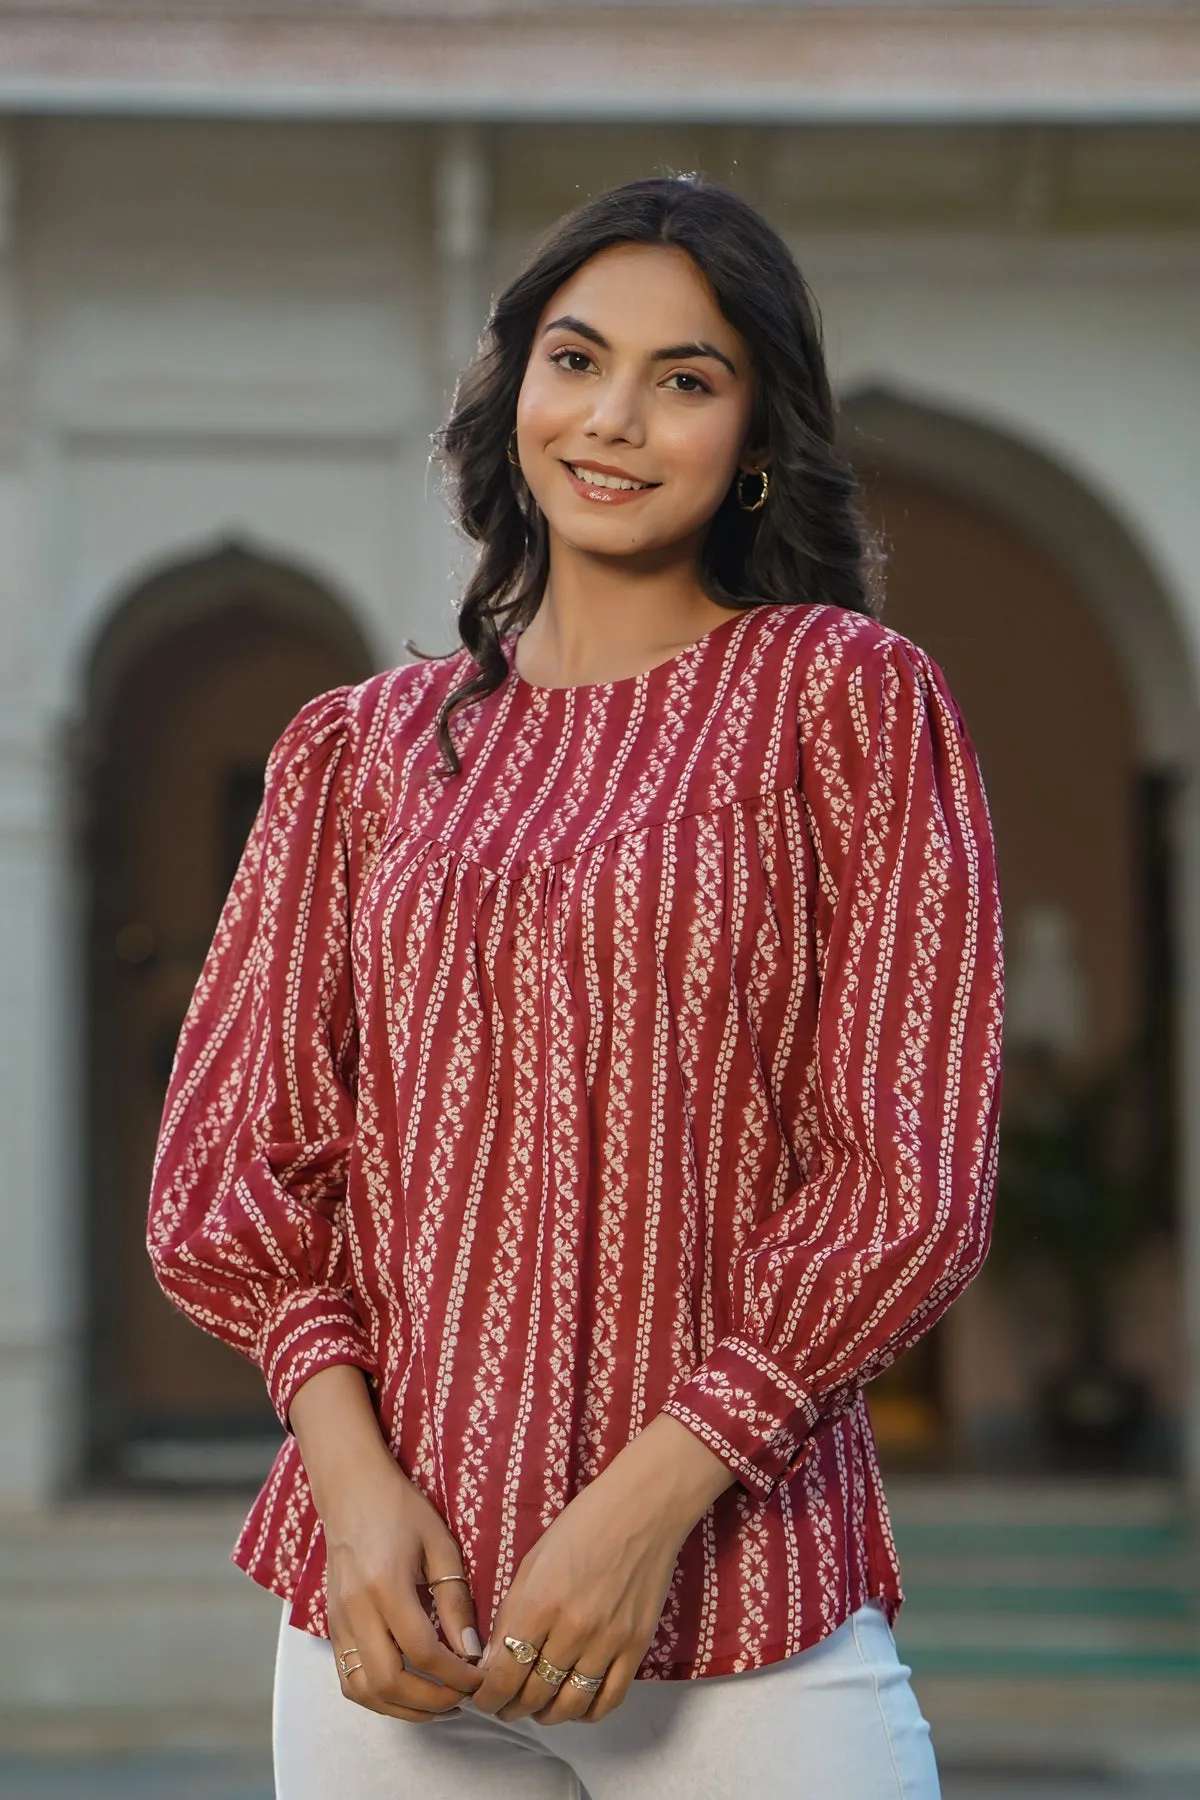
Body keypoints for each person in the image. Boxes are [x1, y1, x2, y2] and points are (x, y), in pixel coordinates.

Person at [147, 175, 1003, 1799]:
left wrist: (643, 1513)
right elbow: (236, 1161)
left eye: (685, 379)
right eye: (574, 358)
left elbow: (906, 1182)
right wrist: (353, 1486)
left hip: (745, 1617)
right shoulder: (355, 750)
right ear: (514, 388)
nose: (613, 419)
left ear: (756, 437)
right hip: (386, 1627)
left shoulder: (849, 704)